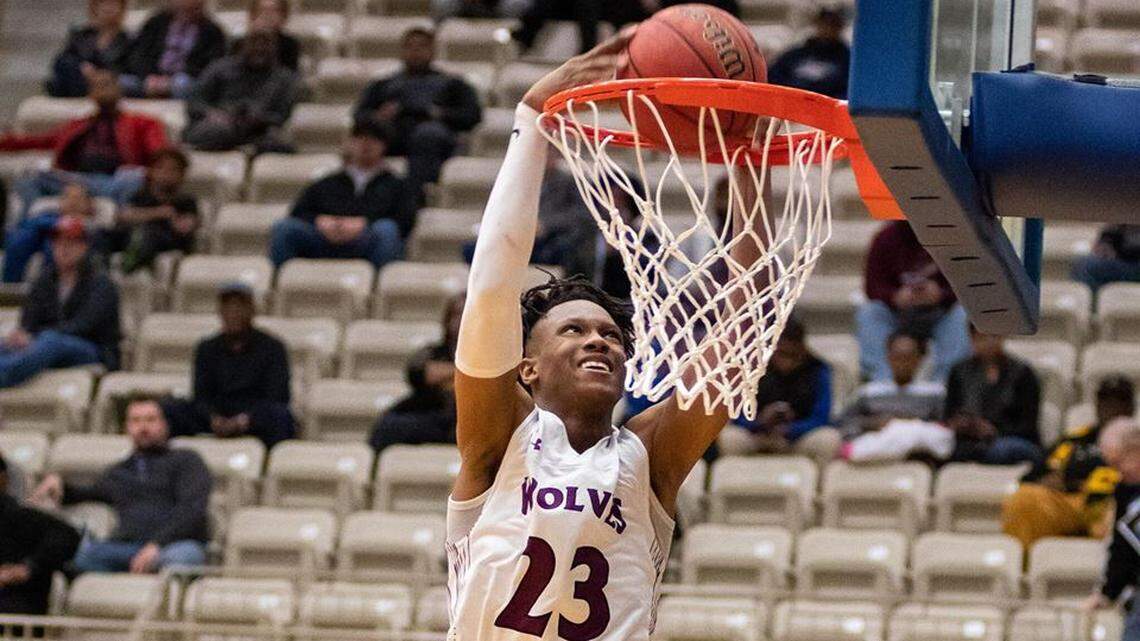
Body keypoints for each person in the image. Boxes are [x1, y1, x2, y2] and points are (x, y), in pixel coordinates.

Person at [447, 27, 759, 641]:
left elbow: (736, 341)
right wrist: (531, 122)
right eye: (574, 330)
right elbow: (490, 290)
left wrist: (747, 166)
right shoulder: (500, 437)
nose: (601, 341)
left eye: (612, 335)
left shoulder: (649, 458)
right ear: (526, 367)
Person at [30, 395, 211, 574]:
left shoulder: (187, 460)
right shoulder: (118, 472)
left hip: (174, 545)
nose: (143, 427)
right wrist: (59, 485)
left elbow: (192, 510)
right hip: (126, 548)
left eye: (151, 420)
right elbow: (87, 493)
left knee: (180, 559)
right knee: (78, 557)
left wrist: (156, 546)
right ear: (127, 427)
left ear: (165, 424)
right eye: (136, 421)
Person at [0, 69, 167, 221]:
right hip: (78, 180)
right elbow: (41, 141)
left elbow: (161, 155)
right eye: (97, 86)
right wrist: (5, 141)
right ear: (90, 93)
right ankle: (31, 227)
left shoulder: (142, 123)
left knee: (135, 180)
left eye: (107, 84)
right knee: (28, 178)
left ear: (119, 89)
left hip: (117, 180)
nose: (103, 90)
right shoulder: (79, 125)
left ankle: (118, 231)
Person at [1002, 377, 1137, 549]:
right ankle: (1024, 570)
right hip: (1069, 501)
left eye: (1119, 402)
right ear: (1097, 405)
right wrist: (1046, 481)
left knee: (1124, 515)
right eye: (1106, 402)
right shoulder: (1075, 439)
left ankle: (1118, 572)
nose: (1111, 409)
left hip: (1110, 503)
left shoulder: (1136, 444)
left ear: (1131, 408)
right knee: (1023, 499)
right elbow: (1029, 477)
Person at [354, 27, 482, 206]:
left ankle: (416, 196)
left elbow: (472, 115)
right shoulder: (383, 85)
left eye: (421, 47)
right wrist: (380, 115)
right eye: (409, 47)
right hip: (393, 136)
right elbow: (359, 117)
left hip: (433, 140)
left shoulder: (452, 84)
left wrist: (439, 114)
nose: (415, 52)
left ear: (432, 51)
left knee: (428, 135)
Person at [162, 282, 296, 449]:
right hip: (216, 416)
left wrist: (244, 420)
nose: (233, 312)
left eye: (240, 305)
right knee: (170, 409)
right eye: (228, 306)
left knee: (280, 415)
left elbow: (278, 396)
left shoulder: (272, 347)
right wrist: (213, 419)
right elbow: (201, 396)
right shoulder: (207, 348)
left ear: (252, 310)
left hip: (254, 417)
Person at [268, 120, 411, 269]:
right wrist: (319, 221)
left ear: (384, 145)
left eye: (374, 139)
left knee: (386, 230)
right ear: (350, 142)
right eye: (360, 138)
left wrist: (364, 223)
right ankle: (279, 279)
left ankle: (378, 285)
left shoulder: (397, 185)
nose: (366, 144)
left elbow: (404, 219)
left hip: (365, 241)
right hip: (324, 239)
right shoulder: (327, 182)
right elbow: (298, 211)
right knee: (284, 228)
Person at [0, 217, 120, 388]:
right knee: (6, 344)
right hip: (44, 346)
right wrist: (22, 336)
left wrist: (36, 337)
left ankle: (4, 377)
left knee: (52, 340)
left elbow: (83, 325)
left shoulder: (101, 284)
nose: (64, 248)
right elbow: (28, 321)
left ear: (84, 247)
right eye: (59, 242)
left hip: (92, 349)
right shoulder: (43, 281)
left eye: (71, 242)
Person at [856, 220, 970, 383]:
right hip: (897, 313)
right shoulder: (885, 238)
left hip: (940, 313)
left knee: (962, 315)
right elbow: (872, 287)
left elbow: (967, 284)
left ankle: (945, 383)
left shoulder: (952, 237)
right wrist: (895, 296)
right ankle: (883, 381)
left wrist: (941, 294)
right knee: (869, 313)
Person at [716, 317, 839, 465]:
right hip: (758, 436)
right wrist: (760, 423)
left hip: (798, 439)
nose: (787, 362)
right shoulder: (752, 369)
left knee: (828, 438)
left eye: (793, 355)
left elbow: (821, 418)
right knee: (730, 437)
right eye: (782, 354)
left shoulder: (818, 370)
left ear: (802, 348)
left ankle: (815, 484)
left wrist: (791, 429)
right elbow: (737, 415)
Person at [837, 332, 953, 463]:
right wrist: (872, 424)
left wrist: (909, 422)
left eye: (908, 357)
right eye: (897, 356)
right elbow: (845, 423)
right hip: (877, 441)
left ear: (919, 359)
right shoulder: (868, 392)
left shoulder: (935, 393)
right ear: (888, 357)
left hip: (918, 451)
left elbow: (944, 426)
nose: (902, 363)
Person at [369, 293, 462, 453]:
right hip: (435, 416)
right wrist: (460, 373)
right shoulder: (435, 351)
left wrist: (447, 374)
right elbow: (418, 372)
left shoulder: (490, 355)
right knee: (388, 426)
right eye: (456, 314)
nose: (460, 321)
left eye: (466, 313)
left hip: (469, 421)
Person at [183, 29, 298, 153]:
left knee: (284, 144)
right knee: (218, 130)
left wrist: (257, 119)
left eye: (265, 43)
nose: (259, 48)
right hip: (218, 125)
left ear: (274, 48)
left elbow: (281, 115)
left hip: (259, 130)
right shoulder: (219, 69)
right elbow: (194, 102)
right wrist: (212, 113)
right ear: (243, 45)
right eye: (254, 43)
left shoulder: (284, 78)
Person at [944, 324, 1043, 465]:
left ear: (1002, 337)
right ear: (972, 338)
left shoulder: (1023, 373)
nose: (989, 342)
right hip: (969, 439)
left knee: (999, 450)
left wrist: (994, 430)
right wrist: (962, 424)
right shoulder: (958, 371)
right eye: (982, 337)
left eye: (994, 336)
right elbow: (949, 414)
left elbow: (1028, 424)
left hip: (1013, 438)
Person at [0, 453, 81, 619]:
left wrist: (28, 567)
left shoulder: (21, 517)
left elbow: (68, 536)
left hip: (16, 611)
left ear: (2, 480)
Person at [1082, 420, 1140, 639]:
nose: (1118, 472)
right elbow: (1122, 547)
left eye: (1119, 463)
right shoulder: (1125, 491)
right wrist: (1107, 593)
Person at [99, 148, 199, 274]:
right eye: (161, 168)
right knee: (101, 234)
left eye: (173, 170)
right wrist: (157, 213)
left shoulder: (186, 201)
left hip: (166, 241)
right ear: (151, 171)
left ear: (182, 175)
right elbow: (124, 215)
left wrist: (171, 218)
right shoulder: (141, 195)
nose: (166, 174)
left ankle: (128, 267)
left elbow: (185, 228)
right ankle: (98, 273)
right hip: (133, 235)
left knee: (146, 234)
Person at [120, 0, 227, 99]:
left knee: (183, 84)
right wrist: (149, 76)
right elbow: (139, 54)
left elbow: (211, 65)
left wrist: (170, 81)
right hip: (150, 78)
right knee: (122, 82)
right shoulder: (155, 23)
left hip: (184, 80)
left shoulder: (212, 32)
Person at [2, 182, 99, 283]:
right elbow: (25, 224)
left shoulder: (91, 223)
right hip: (39, 238)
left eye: (78, 198)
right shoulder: (50, 214)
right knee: (21, 239)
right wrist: (57, 223)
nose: (72, 202)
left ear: (89, 204)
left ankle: (49, 289)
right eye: (67, 197)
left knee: (52, 246)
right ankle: (9, 287)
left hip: (60, 248)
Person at [46, 0, 131, 98]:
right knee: (64, 65)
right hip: (80, 79)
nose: (108, 9)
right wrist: (82, 67)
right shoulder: (81, 34)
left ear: (121, 9)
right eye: (104, 4)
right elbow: (64, 58)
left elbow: (129, 66)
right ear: (95, 8)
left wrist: (101, 75)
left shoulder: (127, 39)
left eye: (113, 5)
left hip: (109, 81)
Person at [767, 7, 850, 99]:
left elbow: (847, 90)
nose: (827, 29)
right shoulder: (794, 55)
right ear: (817, 25)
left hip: (828, 109)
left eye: (832, 25)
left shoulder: (848, 60)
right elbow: (773, 79)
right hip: (791, 106)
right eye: (824, 24)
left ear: (839, 27)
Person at [1072, 224, 1140, 302]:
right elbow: (1106, 239)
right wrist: (1105, 244)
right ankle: (1089, 308)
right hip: (1118, 262)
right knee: (1086, 265)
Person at [230, 0, 300, 72]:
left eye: (274, 11)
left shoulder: (289, 45)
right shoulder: (239, 43)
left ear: (283, 16)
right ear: (253, 15)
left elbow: (290, 75)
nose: (267, 16)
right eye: (262, 11)